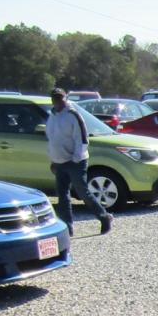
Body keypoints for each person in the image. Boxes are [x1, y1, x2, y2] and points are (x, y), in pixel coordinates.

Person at [47, 87, 110, 236]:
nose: (58, 101)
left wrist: (76, 158)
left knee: (83, 192)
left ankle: (104, 217)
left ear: (65, 99)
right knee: (62, 196)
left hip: (76, 161)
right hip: (59, 162)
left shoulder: (73, 115)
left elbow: (82, 139)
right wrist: (53, 159)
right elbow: (51, 139)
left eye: (60, 98)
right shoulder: (51, 116)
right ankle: (67, 228)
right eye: (55, 98)